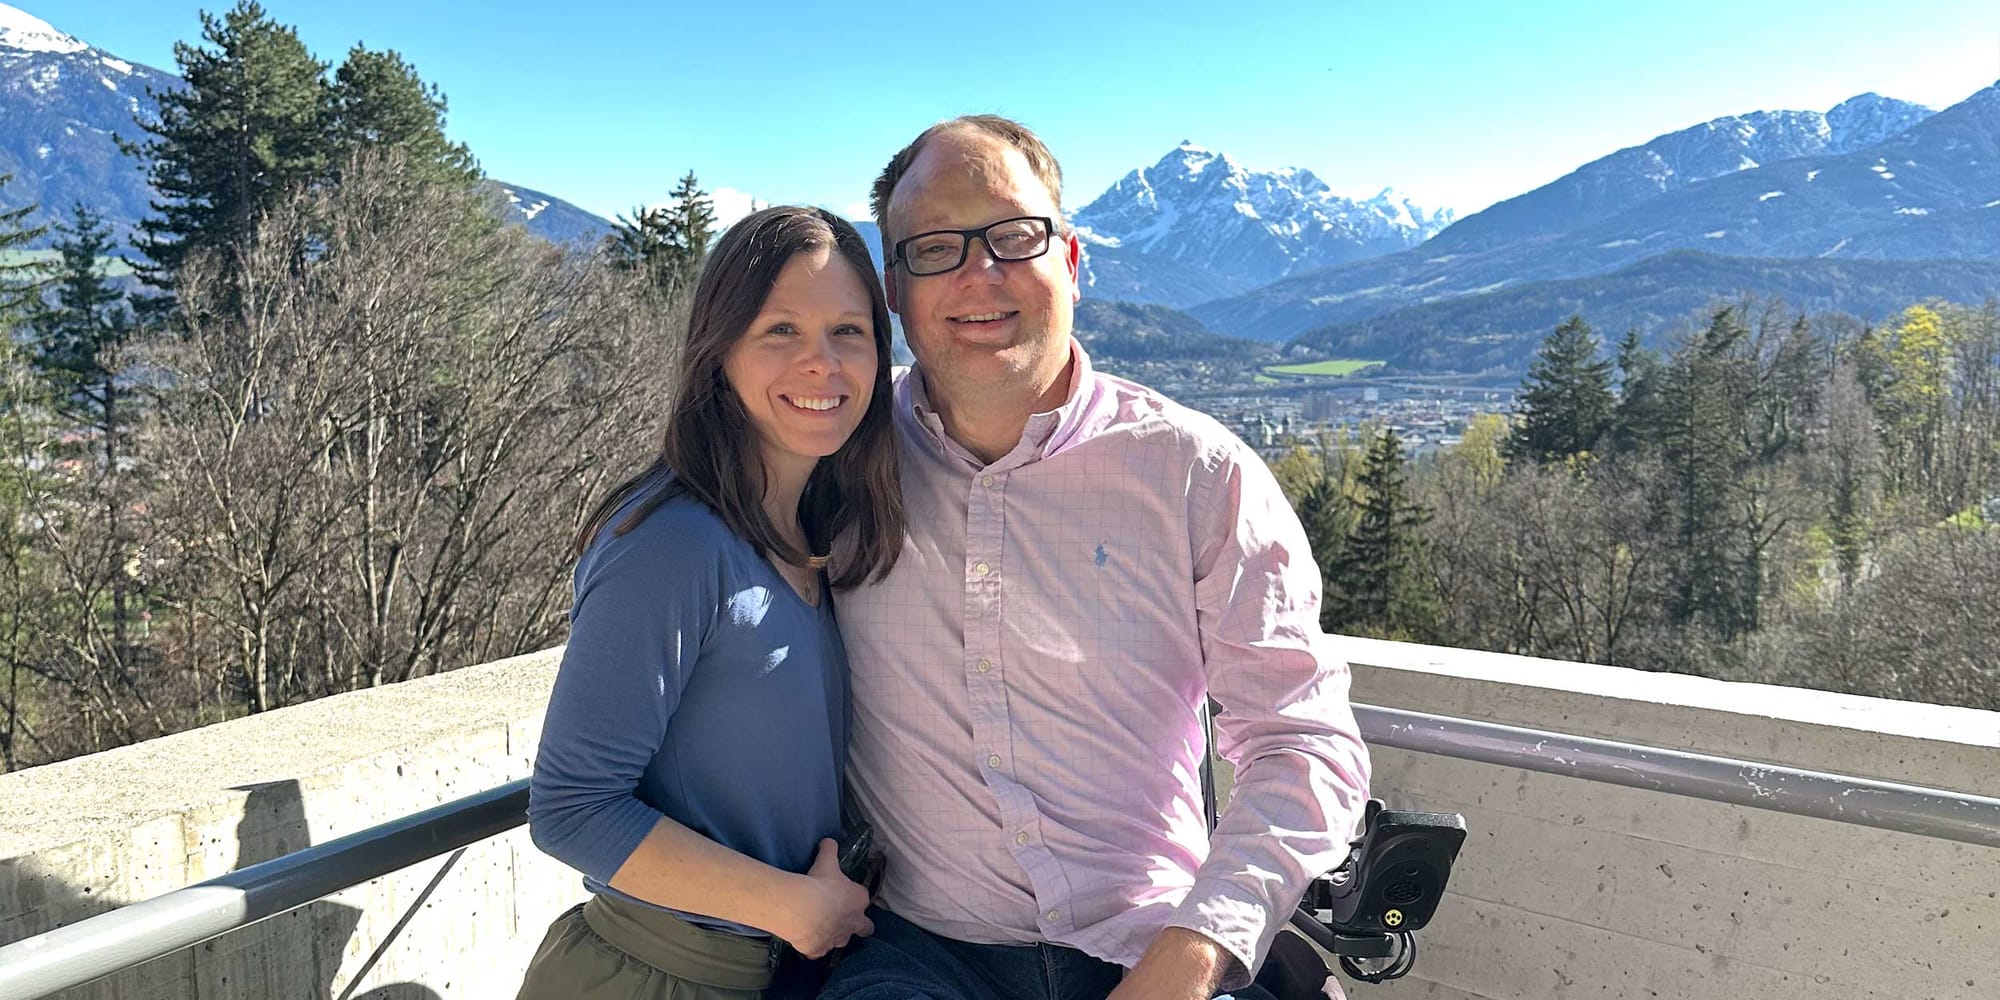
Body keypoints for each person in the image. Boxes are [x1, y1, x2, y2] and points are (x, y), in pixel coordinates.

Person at [817, 116, 1373, 1000]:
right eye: (935, 247)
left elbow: (1302, 742)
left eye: (1014, 235)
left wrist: (1195, 951)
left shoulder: (1198, 476)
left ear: (1070, 259)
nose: (979, 272)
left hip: (1157, 940)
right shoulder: (837, 461)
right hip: (919, 955)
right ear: (892, 287)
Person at [519, 206, 903, 1000]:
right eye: (780, 332)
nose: (821, 364)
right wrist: (796, 906)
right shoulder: (676, 544)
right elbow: (571, 807)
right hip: (659, 976)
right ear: (719, 348)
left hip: (785, 971)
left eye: (849, 332)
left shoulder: (812, 536)